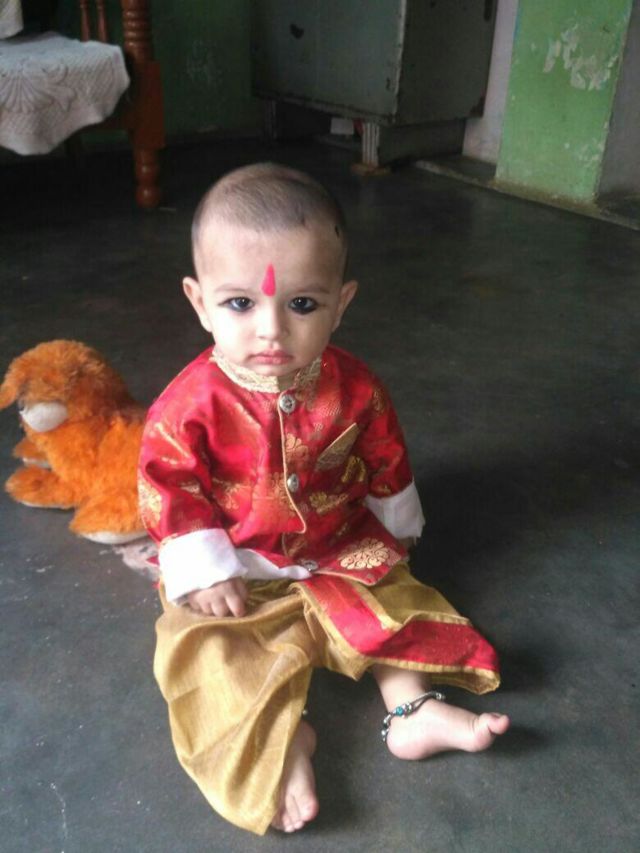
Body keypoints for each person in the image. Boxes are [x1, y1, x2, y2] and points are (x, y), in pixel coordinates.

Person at [138, 162, 510, 836]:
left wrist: (394, 520)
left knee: (393, 603)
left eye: (302, 305)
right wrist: (204, 568)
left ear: (342, 301)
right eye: (240, 303)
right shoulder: (189, 404)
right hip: (236, 572)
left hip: (341, 548)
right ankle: (285, 744)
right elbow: (169, 483)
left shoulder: (357, 387)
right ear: (198, 301)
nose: (271, 330)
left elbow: (385, 454)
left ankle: (411, 708)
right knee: (211, 656)